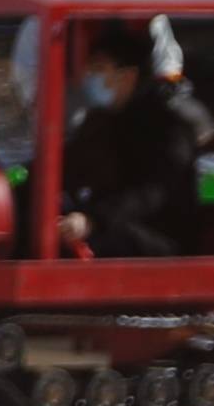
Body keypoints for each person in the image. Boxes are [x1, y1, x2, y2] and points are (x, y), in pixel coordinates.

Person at [58, 16, 212, 261]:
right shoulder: (102, 119)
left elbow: (152, 193)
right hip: (112, 221)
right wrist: (13, 181)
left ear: (127, 76)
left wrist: (94, 219)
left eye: (98, 69)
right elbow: (68, 165)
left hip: (164, 243)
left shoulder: (170, 125)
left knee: (97, 241)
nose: (89, 78)